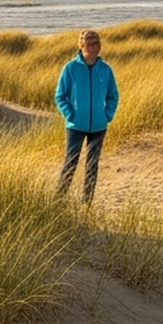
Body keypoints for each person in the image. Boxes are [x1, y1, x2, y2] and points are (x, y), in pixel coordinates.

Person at [54, 29, 119, 203]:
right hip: (75, 126)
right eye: (91, 44)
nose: (95, 47)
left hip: (98, 126)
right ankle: (57, 201)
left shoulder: (105, 70)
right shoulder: (71, 68)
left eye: (97, 43)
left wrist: (107, 115)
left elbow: (113, 96)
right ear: (82, 46)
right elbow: (60, 96)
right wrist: (70, 114)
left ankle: (86, 202)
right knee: (70, 162)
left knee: (92, 165)